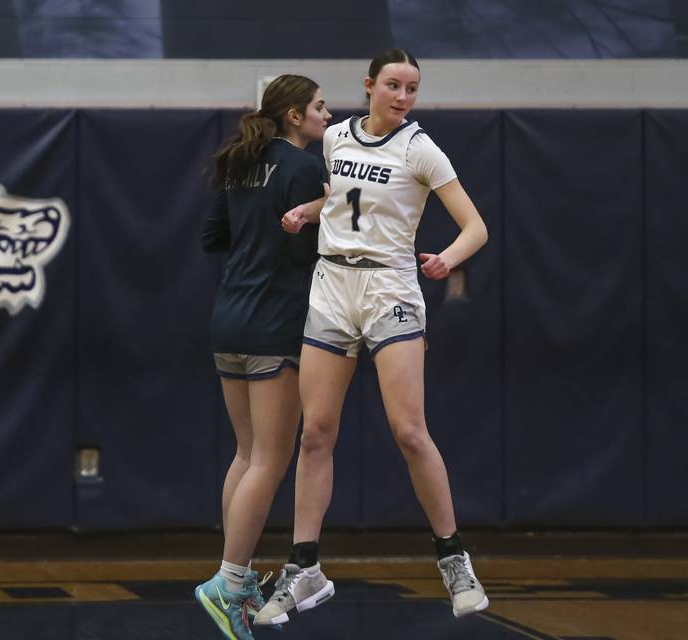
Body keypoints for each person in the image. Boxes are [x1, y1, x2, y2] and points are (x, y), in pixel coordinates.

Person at [254, 48, 489, 626]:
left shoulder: (420, 149)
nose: (403, 97)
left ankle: (454, 559)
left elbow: (476, 226)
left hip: (390, 290)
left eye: (411, 88)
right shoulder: (336, 137)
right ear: (369, 86)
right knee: (316, 435)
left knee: (409, 430)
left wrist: (448, 258)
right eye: (393, 86)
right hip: (332, 285)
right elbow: (340, 197)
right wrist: (309, 212)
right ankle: (304, 566)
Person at [194, 74, 331, 640]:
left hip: (229, 317)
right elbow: (319, 241)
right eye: (320, 106)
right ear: (294, 116)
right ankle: (227, 583)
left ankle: (238, 576)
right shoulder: (301, 168)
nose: (329, 114)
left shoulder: (240, 163)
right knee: (271, 460)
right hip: (276, 323)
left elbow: (212, 237)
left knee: (247, 454)